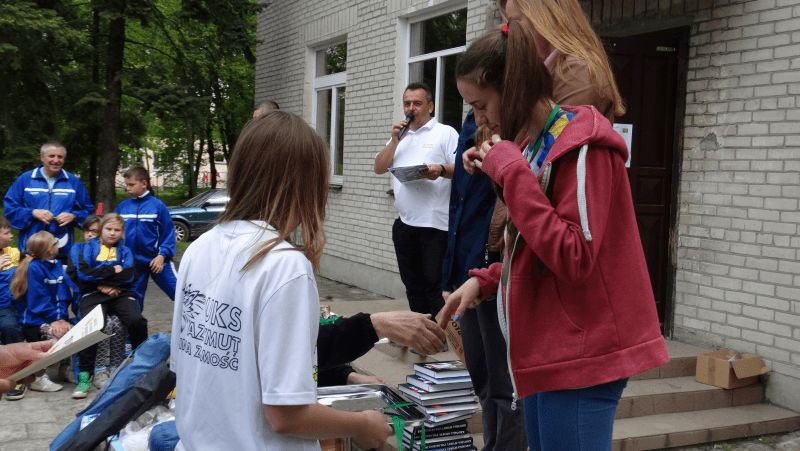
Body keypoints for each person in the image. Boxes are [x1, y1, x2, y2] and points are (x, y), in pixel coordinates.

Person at [439, 26, 668, 450]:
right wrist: (489, 280)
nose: (479, 120)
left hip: (584, 353)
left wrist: (511, 171)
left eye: (481, 105)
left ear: (514, 88)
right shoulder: (535, 145)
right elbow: (536, 242)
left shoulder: (584, 148)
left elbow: (574, 256)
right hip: (548, 348)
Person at [171, 111, 391, 450]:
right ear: (306, 184)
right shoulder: (284, 267)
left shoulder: (200, 247)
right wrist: (362, 424)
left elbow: (192, 368)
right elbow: (287, 415)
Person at [441, 111, 526, 451]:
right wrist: (449, 275)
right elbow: (458, 210)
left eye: (482, 103)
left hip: (498, 275)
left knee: (506, 386)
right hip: (468, 273)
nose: (477, 112)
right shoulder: (470, 126)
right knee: (482, 377)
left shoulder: (519, 145)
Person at [373, 82, 458, 318]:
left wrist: (440, 169)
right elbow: (379, 167)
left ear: (430, 106)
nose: (411, 108)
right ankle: (420, 329)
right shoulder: (400, 136)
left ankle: (440, 333)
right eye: (407, 103)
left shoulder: (445, 133)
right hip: (405, 223)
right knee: (412, 285)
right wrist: (394, 142)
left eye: (417, 103)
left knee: (434, 287)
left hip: (435, 225)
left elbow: (462, 169)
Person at [497, 0, 625, 122]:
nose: (511, 34)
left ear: (542, 16)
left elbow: (555, 135)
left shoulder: (576, 72)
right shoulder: (557, 67)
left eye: (515, 23)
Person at [70, 213, 148, 399]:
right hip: (93, 293)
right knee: (91, 325)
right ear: (101, 230)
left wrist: (107, 281)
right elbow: (84, 273)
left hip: (120, 292)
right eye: (108, 229)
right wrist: (112, 270)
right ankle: (85, 376)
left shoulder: (125, 251)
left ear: (122, 233)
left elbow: (129, 275)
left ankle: (142, 366)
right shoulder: (86, 248)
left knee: (136, 320)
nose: (112, 233)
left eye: (117, 230)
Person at [3, 141, 94, 262]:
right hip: (31, 248)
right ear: (42, 158)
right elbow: (9, 208)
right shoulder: (25, 179)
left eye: (60, 157)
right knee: (31, 273)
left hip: (62, 248)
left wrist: (74, 216)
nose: (56, 160)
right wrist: (32, 213)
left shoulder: (73, 181)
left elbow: (88, 210)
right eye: (51, 156)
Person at [10, 230, 73, 395]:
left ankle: (65, 369)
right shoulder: (34, 268)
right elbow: (38, 302)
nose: (58, 244)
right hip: (34, 320)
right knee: (56, 335)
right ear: (48, 249)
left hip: (53, 317)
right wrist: (54, 321)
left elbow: (63, 295)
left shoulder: (57, 264)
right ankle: (38, 377)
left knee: (71, 332)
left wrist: (61, 318)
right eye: (55, 242)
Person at [116, 166, 178, 306]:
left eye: (131, 185)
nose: (127, 188)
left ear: (144, 183)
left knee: (181, 294)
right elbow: (114, 234)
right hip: (133, 264)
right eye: (126, 185)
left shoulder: (158, 206)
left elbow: (168, 233)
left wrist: (162, 256)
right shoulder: (122, 207)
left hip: (157, 261)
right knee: (133, 303)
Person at [0, 216, 27, 400]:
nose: (11, 235)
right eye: (6, 233)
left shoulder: (14, 252)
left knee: (10, 327)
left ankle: (17, 376)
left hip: (6, 306)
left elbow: (31, 258)